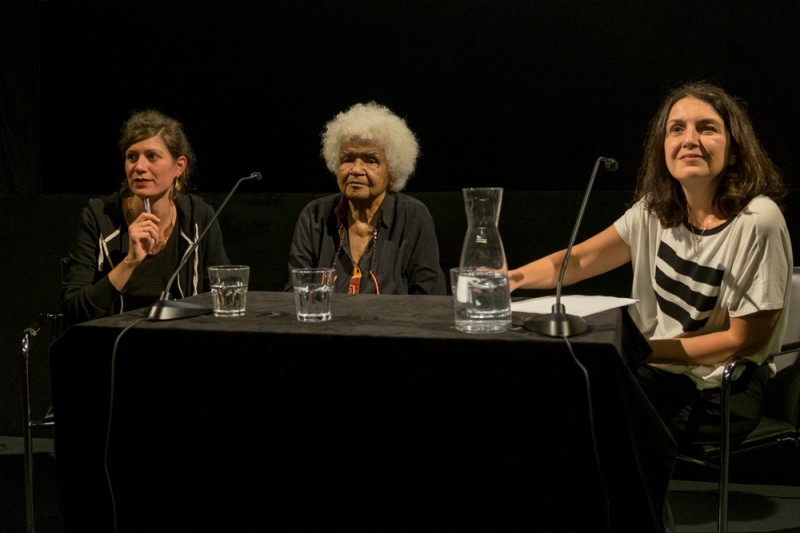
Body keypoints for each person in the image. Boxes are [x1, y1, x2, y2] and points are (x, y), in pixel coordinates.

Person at [508, 81, 793, 447]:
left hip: (721, 388)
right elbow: (578, 261)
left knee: (593, 401)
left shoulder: (758, 221)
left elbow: (740, 340)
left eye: (706, 128)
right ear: (664, 150)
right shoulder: (654, 211)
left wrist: (634, 348)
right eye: (677, 129)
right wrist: (509, 278)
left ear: (735, 152)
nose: (690, 139)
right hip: (653, 371)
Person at [61, 109, 230, 325]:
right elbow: (73, 309)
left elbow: (222, 296)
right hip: (114, 348)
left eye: (152, 156)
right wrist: (130, 262)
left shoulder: (198, 217)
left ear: (179, 166)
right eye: (132, 157)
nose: (139, 167)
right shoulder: (99, 218)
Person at [286, 101, 447, 295]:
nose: (356, 170)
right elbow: (295, 293)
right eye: (347, 159)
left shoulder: (413, 217)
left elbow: (429, 296)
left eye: (371, 160)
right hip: (326, 324)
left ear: (392, 170)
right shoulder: (314, 216)